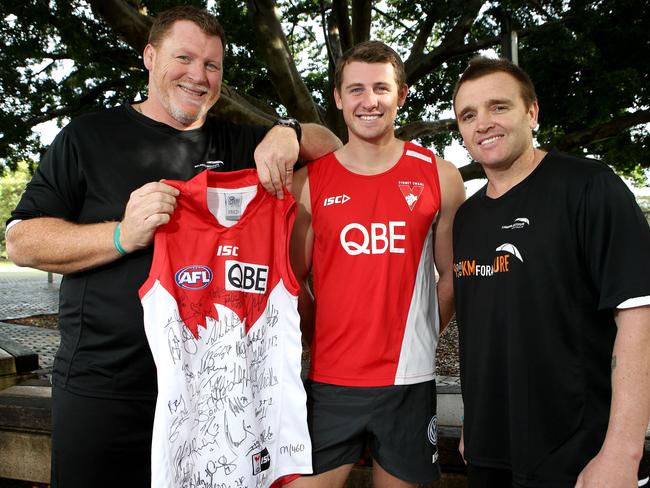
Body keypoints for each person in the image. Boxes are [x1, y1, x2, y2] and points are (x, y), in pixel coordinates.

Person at [5, 6, 340, 487]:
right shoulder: (88, 136)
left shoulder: (240, 141)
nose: (198, 76)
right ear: (149, 56)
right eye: (184, 58)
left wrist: (288, 134)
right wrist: (122, 234)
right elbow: (21, 241)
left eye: (211, 65)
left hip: (212, 398)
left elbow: (333, 151)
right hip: (106, 391)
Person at [452, 56, 650, 487]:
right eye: (469, 115)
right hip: (488, 449)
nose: (483, 122)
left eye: (498, 106)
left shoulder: (590, 187)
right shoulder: (466, 219)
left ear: (532, 111)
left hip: (577, 454)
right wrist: (472, 418)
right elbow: (483, 328)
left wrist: (622, 451)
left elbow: (639, 316)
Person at [289, 41, 465, 488]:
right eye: (356, 90)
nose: (369, 101)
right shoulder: (309, 181)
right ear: (338, 98)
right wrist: (319, 337)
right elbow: (294, 282)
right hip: (330, 379)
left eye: (381, 89)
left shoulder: (440, 175)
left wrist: (420, 334)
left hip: (409, 381)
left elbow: (451, 278)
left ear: (401, 95)